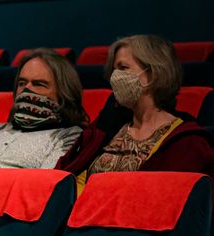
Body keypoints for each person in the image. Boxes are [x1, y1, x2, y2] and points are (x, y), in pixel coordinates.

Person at [56, 35, 214, 191]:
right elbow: (70, 171)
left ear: (154, 73)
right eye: (113, 70)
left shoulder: (188, 142)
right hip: (82, 211)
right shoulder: (107, 124)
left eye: (123, 68)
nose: (114, 77)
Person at [0, 48, 88, 194]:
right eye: (22, 83)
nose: (26, 89)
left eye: (38, 84)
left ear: (64, 92)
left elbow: (42, 188)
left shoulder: (69, 136)